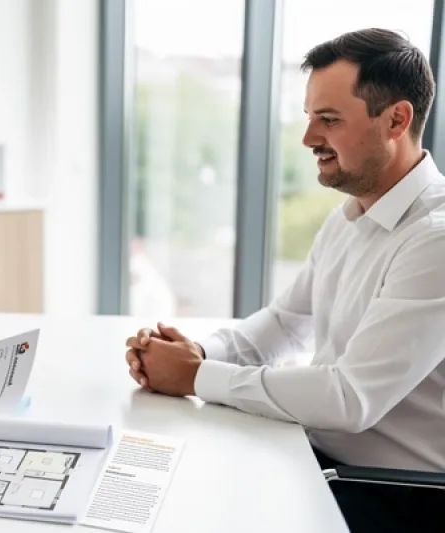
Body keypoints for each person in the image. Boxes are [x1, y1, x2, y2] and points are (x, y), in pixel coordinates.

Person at [125, 28, 445, 533]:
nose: (309, 138)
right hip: (318, 459)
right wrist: (198, 353)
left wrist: (193, 377)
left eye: (329, 120)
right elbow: (285, 324)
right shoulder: (349, 217)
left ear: (397, 120)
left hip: (392, 495)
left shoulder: (436, 239)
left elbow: (350, 396)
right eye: (310, 117)